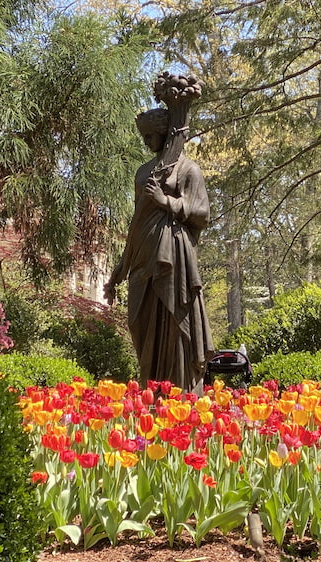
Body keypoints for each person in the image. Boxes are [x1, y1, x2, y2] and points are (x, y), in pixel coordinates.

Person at [104, 108, 214, 394]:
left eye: (150, 135)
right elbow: (137, 219)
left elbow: (201, 214)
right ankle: (150, 394)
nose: (146, 141)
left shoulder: (189, 170)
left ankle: (179, 397)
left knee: (175, 327)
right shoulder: (143, 173)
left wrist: (165, 201)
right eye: (143, 136)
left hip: (174, 261)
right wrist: (121, 266)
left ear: (166, 134)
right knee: (139, 324)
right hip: (142, 257)